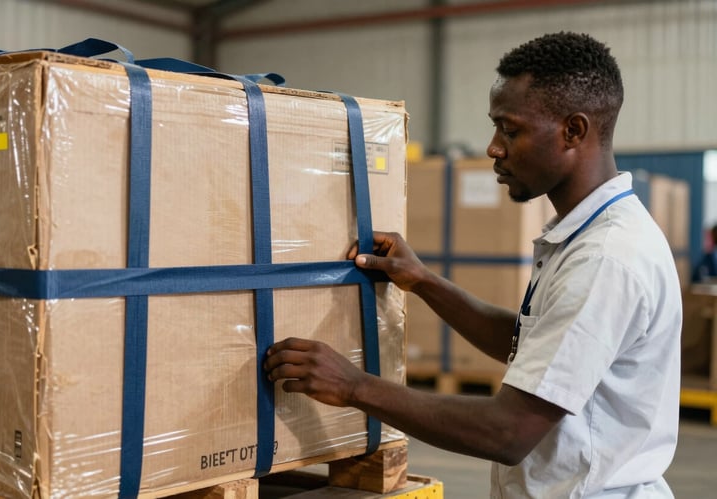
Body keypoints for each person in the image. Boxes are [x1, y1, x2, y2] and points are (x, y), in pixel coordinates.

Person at [264, 32, 682, 498]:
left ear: (574, 131)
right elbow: (536, 347)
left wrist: (355, 387)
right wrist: (422, 282)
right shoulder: (587, 235)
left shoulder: (606, 258)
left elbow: (508, 432)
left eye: (511, 129)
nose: (493, 148)